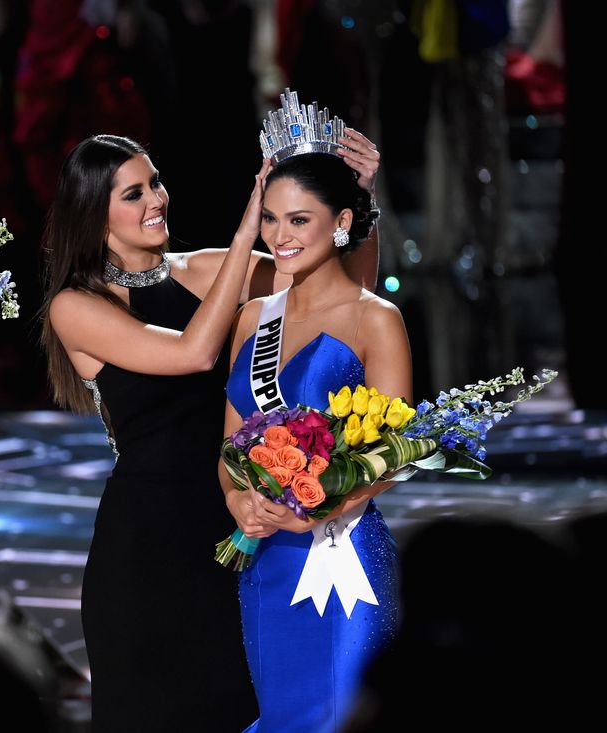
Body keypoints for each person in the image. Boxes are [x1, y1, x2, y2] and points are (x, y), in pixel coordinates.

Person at [39, 124, 380, 731]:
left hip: (240, 526)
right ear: (95, 213)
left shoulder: (205, 270)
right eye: (133, 194)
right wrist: (248, 232)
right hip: (147, 551)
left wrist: (355, 207)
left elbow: (345, 299)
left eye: (156, 184)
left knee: (238, 706)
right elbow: (194, 352)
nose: (156, 201)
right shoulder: (77, 306)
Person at [221, 93, 410, 733]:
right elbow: (230, 451)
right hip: (266, 556)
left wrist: (319, 510)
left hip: (342, 556)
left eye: (299, 220)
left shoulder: (373, 319)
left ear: (340, 222)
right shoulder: (254, 318)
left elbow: (394, 454)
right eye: (272, 220)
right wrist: (238, 503)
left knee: (336, 715)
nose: (280, 236)